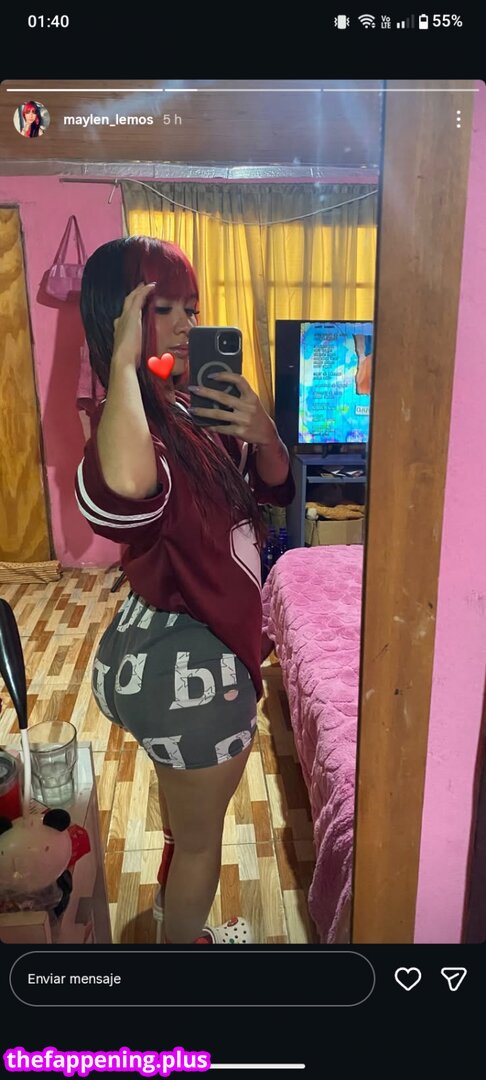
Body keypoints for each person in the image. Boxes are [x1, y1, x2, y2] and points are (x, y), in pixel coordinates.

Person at [75, 236, 295, 944]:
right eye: (161, 308)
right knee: (203, 844)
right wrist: (121, 365)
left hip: (158, 656)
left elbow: (272, 491)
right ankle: (182, 961)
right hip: (192, 674)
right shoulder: (134, 430)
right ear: (118, 317)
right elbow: (124, 495)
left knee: (184, 821)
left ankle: (177, 921)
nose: (185, 325)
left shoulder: (191, 413)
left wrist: (265, 435)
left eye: (190, 309)